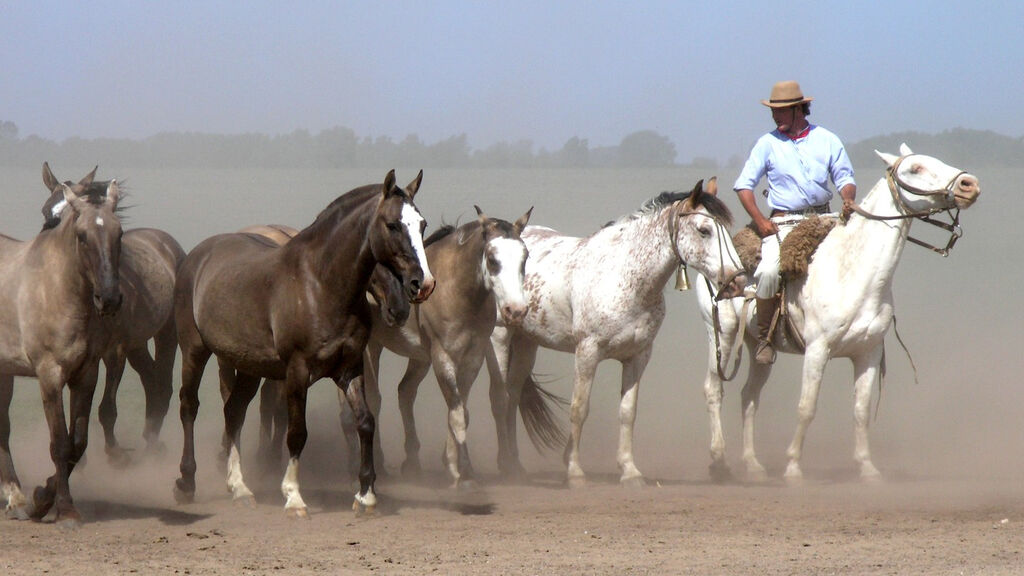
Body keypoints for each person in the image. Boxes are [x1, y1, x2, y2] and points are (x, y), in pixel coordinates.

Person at [734, 80, 857, 364]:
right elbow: (744, 186)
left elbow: (845, 178)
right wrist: (760, 221)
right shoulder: (767, 144)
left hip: (824, 218)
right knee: (767, 272)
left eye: (781, 111)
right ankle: (765, 336)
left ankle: (861, 322)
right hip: (784, 222)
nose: (775, 117)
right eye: (773, 111)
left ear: (798, 109)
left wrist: (848, 200)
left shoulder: (827, 139)